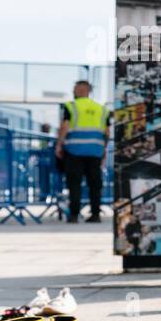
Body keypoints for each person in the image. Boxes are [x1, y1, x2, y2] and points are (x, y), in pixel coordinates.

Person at [55, 80, 111, 224]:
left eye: (75, 89)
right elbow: (107, 132)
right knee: (95, 185)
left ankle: (74, 215)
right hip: (95, 151)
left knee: (74, 183)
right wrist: (104, 150)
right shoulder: (101, 109)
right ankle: (95, 215)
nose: (74, 91)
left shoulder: (71, 106)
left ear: (80, 90)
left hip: (74, 151)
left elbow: (65, 126)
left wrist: (59, 145)